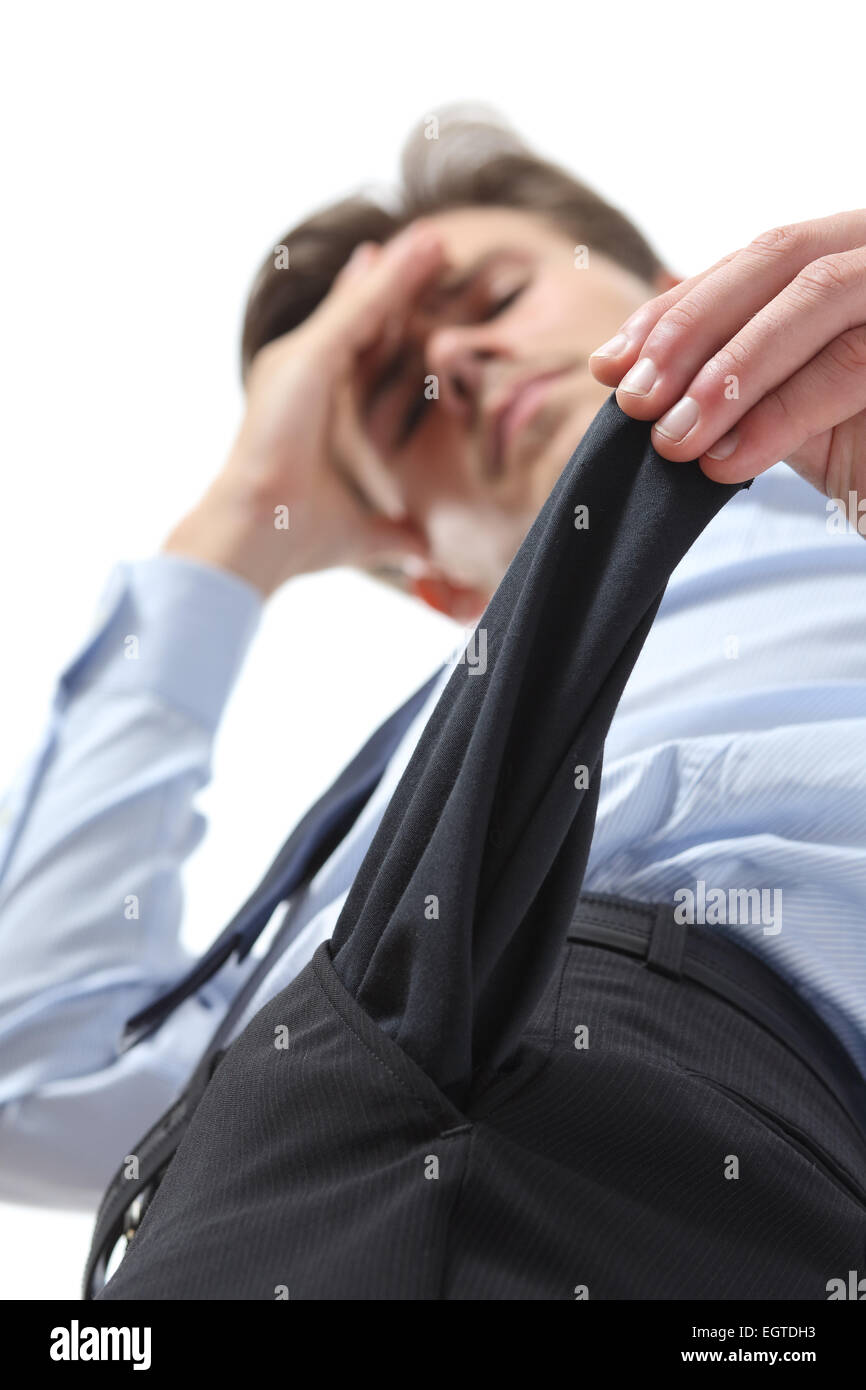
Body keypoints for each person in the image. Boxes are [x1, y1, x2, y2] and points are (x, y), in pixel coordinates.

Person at [0, 110, 864, 1295]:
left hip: (734, 1118)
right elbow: (36, 1081)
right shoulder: (353, 842)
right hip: (254, 1176)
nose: (448, 362)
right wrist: (238, 524)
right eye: (399, 407)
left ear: (673, 288)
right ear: (434, 573)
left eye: (493, 294)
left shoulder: (839, 520)